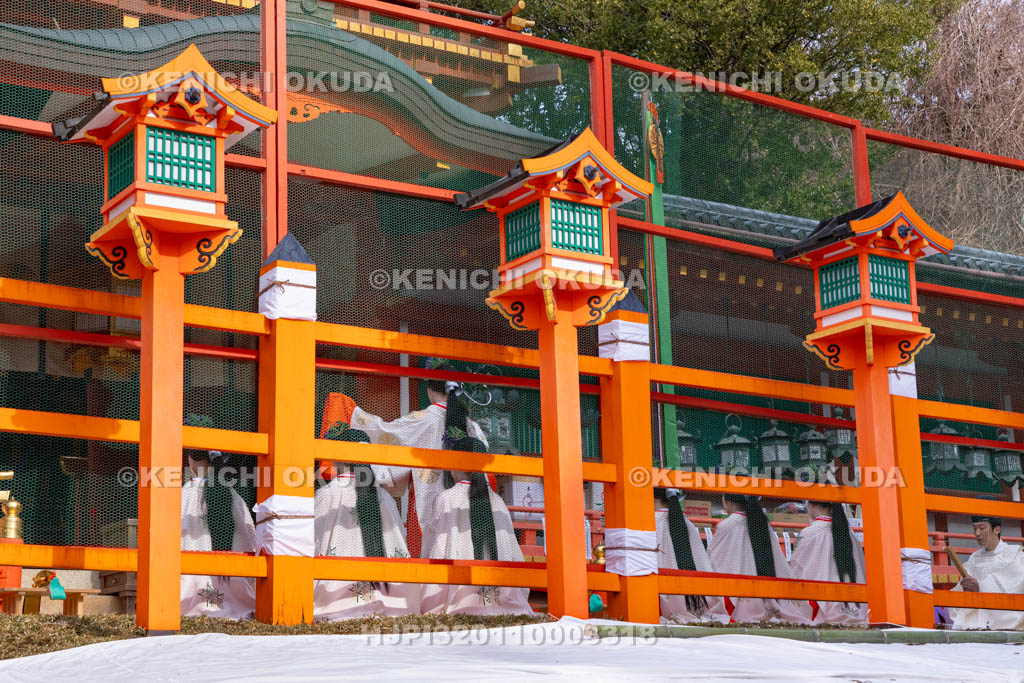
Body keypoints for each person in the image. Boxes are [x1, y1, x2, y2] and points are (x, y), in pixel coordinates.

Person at [320, 361, 488, 556]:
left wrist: (348, 412)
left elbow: (384, 433)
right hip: (473, 502)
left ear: (430, 390)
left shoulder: (423, 420)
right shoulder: (473, 427)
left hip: (430, 500)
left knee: (433, 555)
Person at [313, 422, 420, 619]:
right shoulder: (384, 496)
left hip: (335, 602)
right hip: (391, 603)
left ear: (338, 456)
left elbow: (313, 541)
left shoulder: (326, 494)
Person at [419, 432, 533, 615]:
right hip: (506, 605)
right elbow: (515, 556)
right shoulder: (498, 502)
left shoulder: (447, 499)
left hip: (460, 604)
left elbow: (436, 549)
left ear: (454, 466)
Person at [179, 414, 257, 619]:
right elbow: (249, 537)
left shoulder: (184, 494)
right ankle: (230, 599)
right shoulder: (232, 495)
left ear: (191, 458)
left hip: (191, 587)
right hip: (237, 592)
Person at [707, 494, 811, 624]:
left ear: (727, 501)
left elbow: (712, 561)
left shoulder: (727, 525)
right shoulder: (763, 522)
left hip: (739, 596)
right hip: (769, 594)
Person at [788, 500, 868, 625]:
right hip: (859, 609)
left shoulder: (809, 533)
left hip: (825, 612)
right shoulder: (851, 535)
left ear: (811, 505)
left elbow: (796, 569)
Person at [654, 488, 723, 623]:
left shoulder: (651, 522)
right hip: (696, 599)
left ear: (653, 499)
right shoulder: (687, 523)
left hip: (661, 596)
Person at [950, 515, 1024, 630]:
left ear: (997, 529)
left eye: (982, 528)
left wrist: (981, 587)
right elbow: (963, 589)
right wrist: (965, 586)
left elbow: (1015, 587)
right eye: (974, 528)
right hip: (977, 610)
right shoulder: (975, 558)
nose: (977, 533)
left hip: (1005, 616)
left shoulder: (1015, 554)